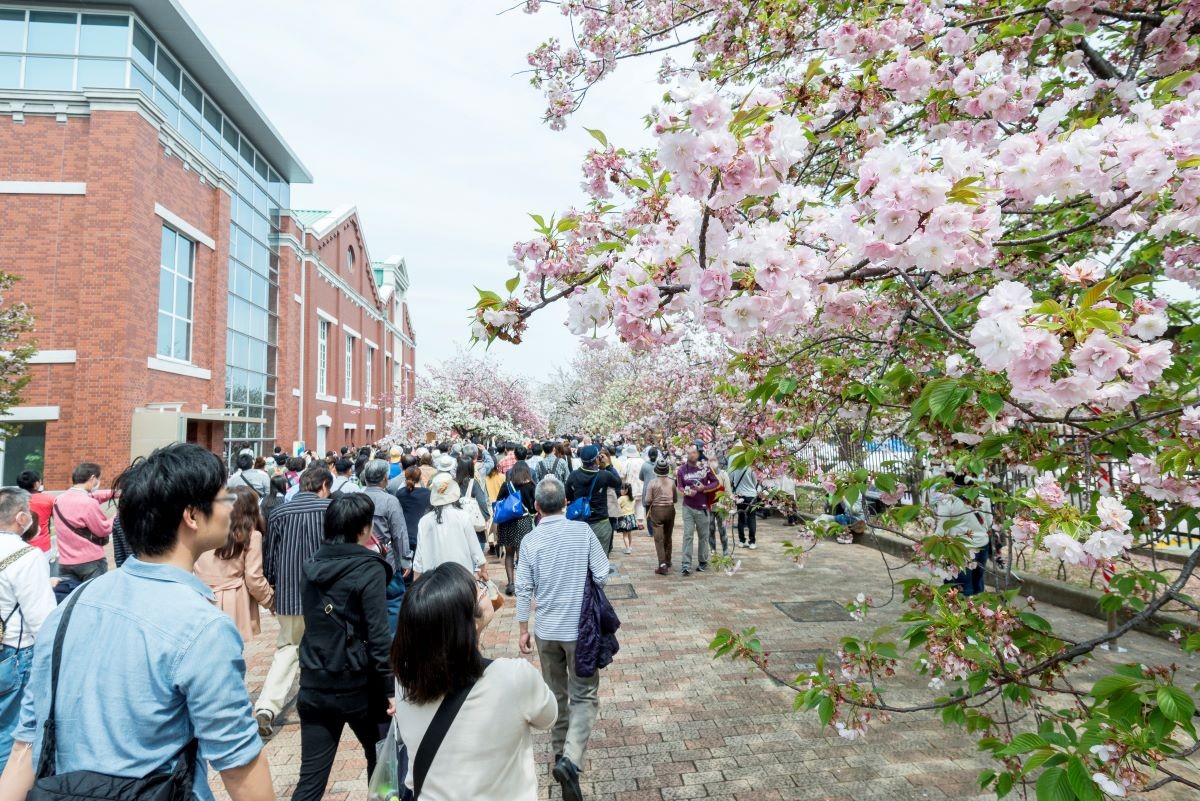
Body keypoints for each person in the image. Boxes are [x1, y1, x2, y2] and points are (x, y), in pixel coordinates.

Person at [0, 444, 274, 800]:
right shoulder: (203, 627)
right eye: (223, 499)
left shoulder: (69, 607)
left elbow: (26, 744)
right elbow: (239, 766)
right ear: (192, 516)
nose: (231, 507)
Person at [393, 563, 554, 800]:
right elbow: (548, 717)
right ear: (469, 621)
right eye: (479, 587)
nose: (484, 587)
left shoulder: (404, 680)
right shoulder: (514, 677)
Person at [292, 494, 393, 801]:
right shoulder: (369, 568)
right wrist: (390, 687)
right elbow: (378, 634)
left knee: (310, 781)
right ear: (364, 528)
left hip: (315, 681)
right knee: (384, 768)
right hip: (360, 684)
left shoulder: (311, 566)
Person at [516, 476, 610, 801]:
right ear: (566, 504)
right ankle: (570, 760)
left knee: (557, 696)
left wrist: (522, 629)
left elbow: (524, 587)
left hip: (546, 631)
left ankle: (560, 757)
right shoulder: (582, 532)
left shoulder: (530, 541)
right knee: (584, 695)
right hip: (580, 631)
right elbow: (602, 572)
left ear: (537, 507)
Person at [256, 466, 333, 737]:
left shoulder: (278, 513)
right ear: (323, 485)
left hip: (288, 594)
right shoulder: (328, 511)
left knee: (288, 647)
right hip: (323, 594)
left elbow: (270, 555)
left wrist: (272, 586)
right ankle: (322, 699)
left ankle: (267, 704)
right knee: (324, 646)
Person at [0, 488, 55, 773]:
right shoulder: (26, 556)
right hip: (13, 653)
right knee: (9, 733)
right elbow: (41, 619)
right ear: (22, 517)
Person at [193, 486, 274, 641]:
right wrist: (270, 600)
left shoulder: (204, 529)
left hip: (201, 597)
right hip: (233, 600)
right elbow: (253, 578)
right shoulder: (251, 535)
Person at [362, 460, 412, 632]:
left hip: (361, 559)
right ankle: (391, 643)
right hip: (387, 560)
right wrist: (405, 559)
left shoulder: (357, 497)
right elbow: (399, 533)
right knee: (393, 602)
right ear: (385, 478)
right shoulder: (390, 501)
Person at [412, 472, 488, 582]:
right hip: (461, 578)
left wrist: (416, 580)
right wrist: (483, 568)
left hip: (434, 581)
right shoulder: (463, 516)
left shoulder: (424, 521)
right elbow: (475, 547)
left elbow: (419, 556)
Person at [50, 462, 114, 583]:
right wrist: (117, 517)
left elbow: (92, 497)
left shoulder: (58, 500)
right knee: (94, 596)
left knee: (70, 597)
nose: (98, 483)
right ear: (92, 478)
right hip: (91, 562)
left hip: (65, 562)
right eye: (98, 479)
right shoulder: (89, 503)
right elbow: (103, 530)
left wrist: (113, 493)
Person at [936, 474, 990, 596]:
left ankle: (962, 612)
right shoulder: (983, 496)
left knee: (960, 587)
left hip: (959, 549)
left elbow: (941, 530)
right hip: (982, 545)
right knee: (977, 583)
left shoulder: (947, 500)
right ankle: (979, 611)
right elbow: (989, 523)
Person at [565, 445, 623, 554]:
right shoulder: (604, 475)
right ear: (597, 458)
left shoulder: (573, 476)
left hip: (579, 522)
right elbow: (618, 483)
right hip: (600, 522)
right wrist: (608, 465)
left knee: (582, 558)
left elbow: (568, 495)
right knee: (600, 560)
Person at [675, 445, 719, 576]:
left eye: (694, 453)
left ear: (698, 454)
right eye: (690, 453)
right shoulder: (682, 470)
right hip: (688, 507)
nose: (692, 455)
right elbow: (680, 486)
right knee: (687, 535)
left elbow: (716, 483)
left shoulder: (705, 467)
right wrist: (686, 492)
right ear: (687, 455)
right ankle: (686, 564)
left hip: (703, 507)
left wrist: (704, 488)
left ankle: (703, 561)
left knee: (703, 537)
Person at [495, 461, 536, 596]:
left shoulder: (507, 485)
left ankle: (511, 583)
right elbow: (533, 506)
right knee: (522, 555)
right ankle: (523, 584)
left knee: (509, 554)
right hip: (523, 522)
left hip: (507, 523)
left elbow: (498, 502)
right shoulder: (530, 485)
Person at [14, 472, 54, 574]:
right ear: (37, 484)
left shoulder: (12, 500)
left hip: (17, 546)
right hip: (42, 546)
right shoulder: (49, 499)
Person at [644, 458, 677, 575]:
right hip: (670, 510)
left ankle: (662, 564)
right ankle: (668, 560)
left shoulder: (652, 483)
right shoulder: (672, 482)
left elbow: (647, 500)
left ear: (656, 470)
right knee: (668, 536)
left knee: (658, 538)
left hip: (657, 511)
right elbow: (675, 499)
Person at [395, 466, 430, 565]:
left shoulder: (400, 493)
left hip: (404, 536)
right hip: (422, 535)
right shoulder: (428, 494)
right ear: (420, 478)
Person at [456, 455, 491, 551]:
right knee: (477, 546)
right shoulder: (473, 483)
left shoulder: (454, 483)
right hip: (473, 521)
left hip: (457, 519)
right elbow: (481, 501)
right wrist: (487, 516)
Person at [730, 460, 761, 549]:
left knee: (741, 518)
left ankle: (741, 541)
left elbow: (731, 481)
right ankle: (752, 542)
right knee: (752, 518)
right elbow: (755, 483)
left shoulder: (735, 468)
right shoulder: (751, 468)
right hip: (751, 496)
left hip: (739, 496)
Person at [708, 457, 732, 557]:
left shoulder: (723, 474)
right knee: (710, 529)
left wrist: (728, 505)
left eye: (714, 460)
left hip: (721, 506)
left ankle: (725, 551)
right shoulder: (706, 474)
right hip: (709, 506)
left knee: (722, 529)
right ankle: (713, 550)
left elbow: (728, 491)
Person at [638, 447, 659, 539]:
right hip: (659, 490)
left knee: (648, 511)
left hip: (647, 490)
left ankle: (651, 532)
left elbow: (641, 477)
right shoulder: (660, 464)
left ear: (649, 455)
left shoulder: (644, 465)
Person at [615, 484, 637, 555]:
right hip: (631, 517)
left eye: (622, 489)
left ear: (626, 490)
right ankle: (629, 547)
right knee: (629, 533)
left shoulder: (621, 498)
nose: (620, 490)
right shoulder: (632, 498)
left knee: (625, 535)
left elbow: (616, 505)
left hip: (625, 518)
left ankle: (627, 549)